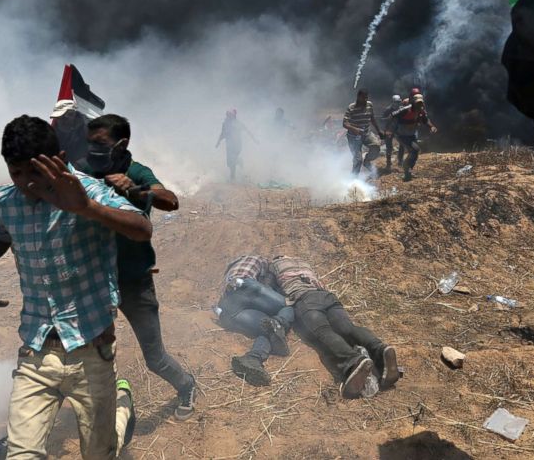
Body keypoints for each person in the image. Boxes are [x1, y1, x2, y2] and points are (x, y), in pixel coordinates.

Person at [0, 115, 151, 460]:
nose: (26, 184)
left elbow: (141, 229)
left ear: (59, 160)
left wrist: (87, 209)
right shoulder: (4, 201)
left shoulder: (87, 191)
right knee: (21, 454)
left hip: (90, 349)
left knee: (100, 452)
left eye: (35, 173)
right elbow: (1, 236)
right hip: (36, 348)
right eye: (16, 173)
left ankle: (122, 408)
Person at [83, 114, 197, 420]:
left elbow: (170, 200)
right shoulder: (84, 170)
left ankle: (186, 385)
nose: (93, 149)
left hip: (133, 281)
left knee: (155, 358)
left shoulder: (136, 171)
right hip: (92, 280)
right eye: (89, 142)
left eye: (100, 143)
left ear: (121, 144)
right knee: (77, 354)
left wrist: (135, 189)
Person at [270, 256, 399, 398]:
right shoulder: (304, 263)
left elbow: (268, 289)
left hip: (305, 299)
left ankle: (354, 361)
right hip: (328, 297)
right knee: (348, 328)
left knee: (324, 331)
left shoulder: (275, 265)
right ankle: (380, 349)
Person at [216, 255, 294, 387]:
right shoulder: (257, 259)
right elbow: (265, 286)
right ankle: (280, 323)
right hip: (244, 286)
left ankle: (253, 359)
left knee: (269, 328)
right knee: (288, 306)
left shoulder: (228, 272)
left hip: (227, 311)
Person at [391, 94, 438, 181]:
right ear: (413, 103)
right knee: (414, 150)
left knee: (415, 152)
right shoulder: (405, 110)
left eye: (421, 103)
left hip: (411, 135)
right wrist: (390, 130)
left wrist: (431, 126)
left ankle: (408, 170)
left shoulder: (421, 111)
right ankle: (406, 167)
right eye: (417, 103)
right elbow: (393, 116)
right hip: (401, 135)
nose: (419, 105)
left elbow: (426, 120)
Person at [342, 90, 383, 176]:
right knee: (358, 159)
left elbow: (372, 118)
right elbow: (345, 123)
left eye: (366, 97)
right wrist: (354, 129)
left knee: (376, 146)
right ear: (358, 97)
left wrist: (379, 131)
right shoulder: (351, 107)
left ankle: (367, 161)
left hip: (366, 133)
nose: (365, 99)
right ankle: (354, 180)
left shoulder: (369, 105)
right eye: (363, 97)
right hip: (354, 136)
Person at [50, 99, 91, 172]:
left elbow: (96, 153)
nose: (60, 121)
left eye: (63, 117)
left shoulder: (90, 128)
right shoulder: (54, 131)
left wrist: (79, 166)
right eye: (57, 117)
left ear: (72, 114)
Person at [216, 109, 256, 182]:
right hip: (229, 145)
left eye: (229, 115)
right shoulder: (225, 124)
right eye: (227, 115)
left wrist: (254, 140)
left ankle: (233, 176)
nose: (228, 116)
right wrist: (218, 142)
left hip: (237, 145)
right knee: (229, 162)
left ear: (233, 116)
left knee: (232, 159)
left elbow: (247, 131)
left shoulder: (238, 123)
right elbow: (222, 133)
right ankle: (238, 162)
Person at [381, 94, 402, 169]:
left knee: (402, 145)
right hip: (389, 130)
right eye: (396, 102)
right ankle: (388, 164)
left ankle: (400, 162)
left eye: (398, 102)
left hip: (398, 130)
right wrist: (388, 119)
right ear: (393, 102)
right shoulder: (388, 110)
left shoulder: (401, 109)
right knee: (389, 147)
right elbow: (382, 120)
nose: (397, 104)